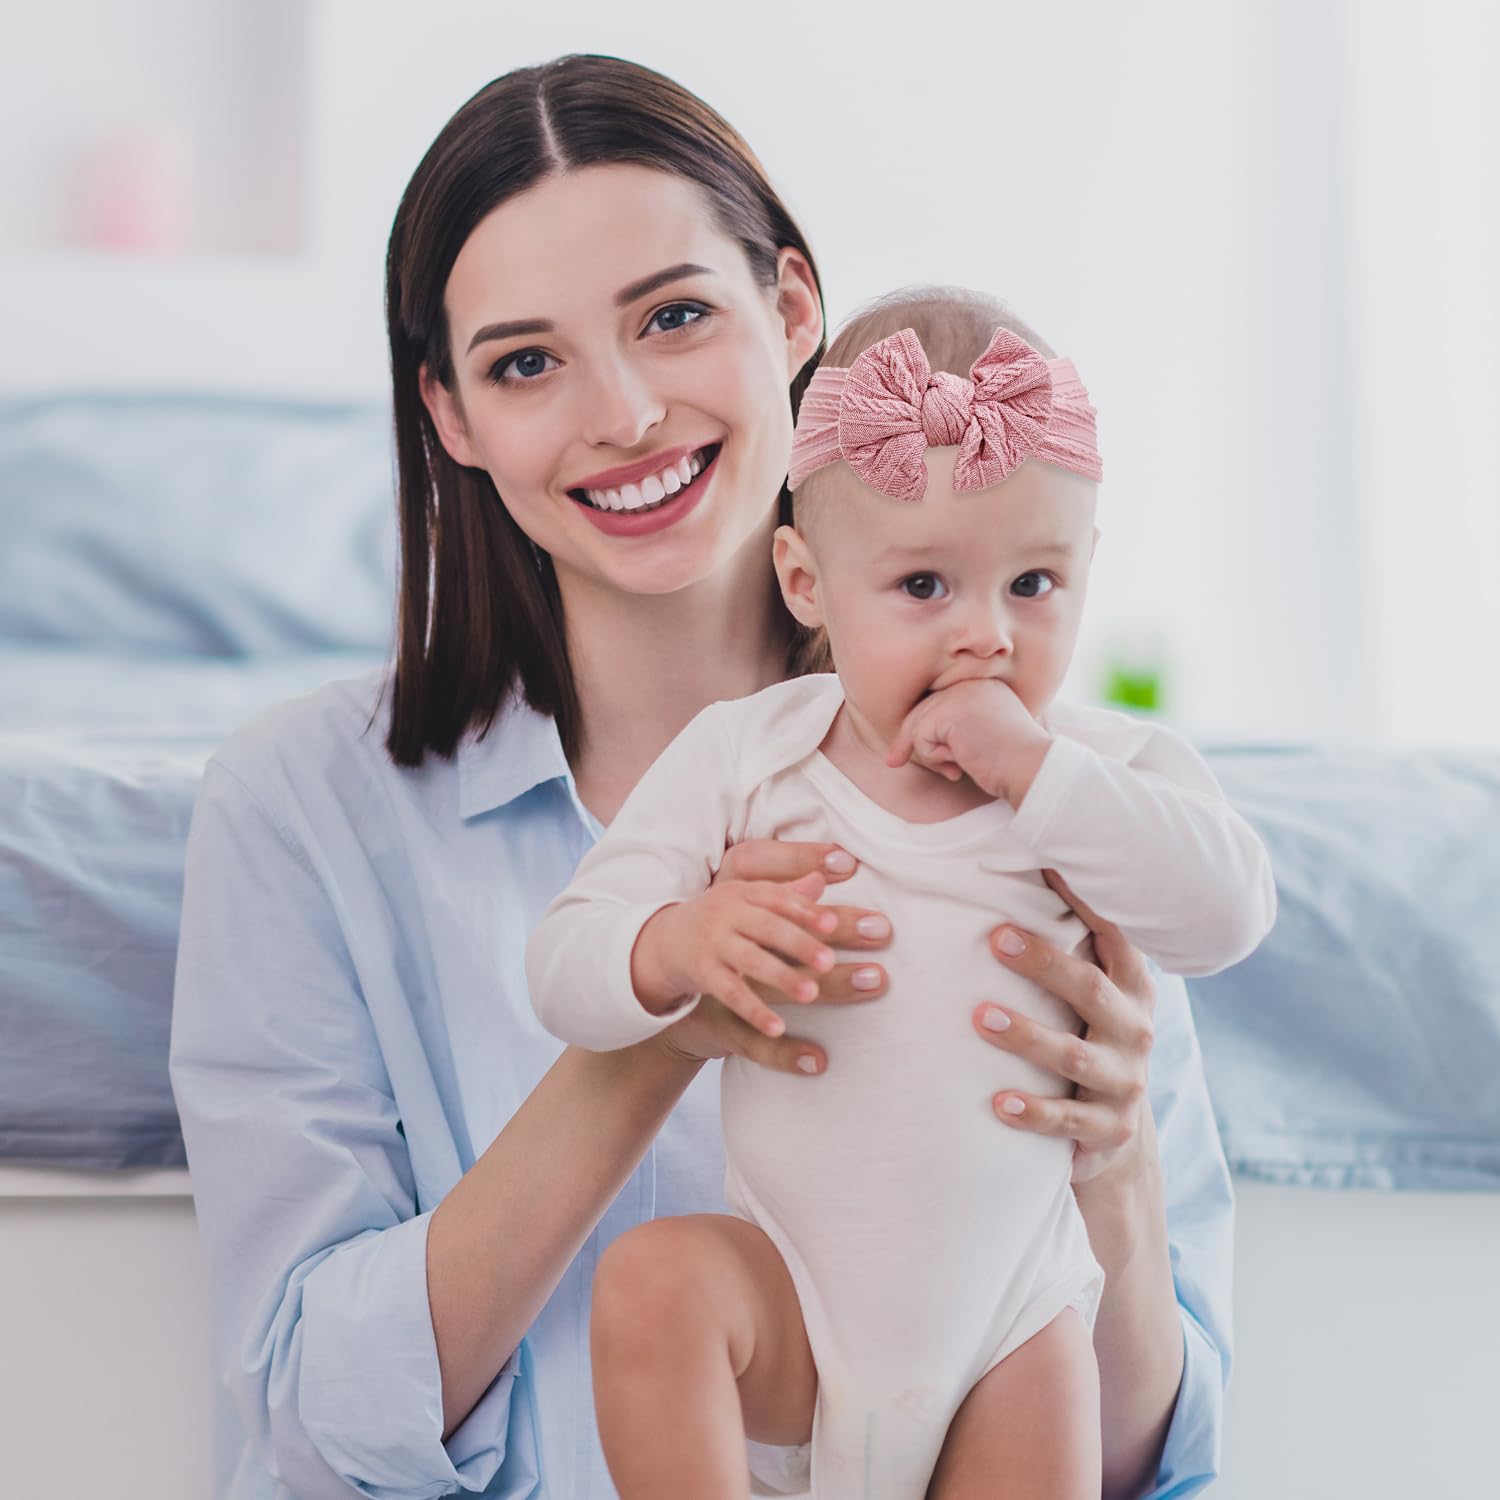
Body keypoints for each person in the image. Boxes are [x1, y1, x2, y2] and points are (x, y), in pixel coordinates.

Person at [169, 55, 1236, 1500]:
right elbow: (310, 1421)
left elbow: (1146, 1471)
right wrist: (663, 1015)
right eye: (525, 362)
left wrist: (1113, 1176)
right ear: (453, 417)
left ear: (792, 313)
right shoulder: (298, 811)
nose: (623, 414)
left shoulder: (1048, 788)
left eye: (674, 316)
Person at [526, 293, 1275, 1498]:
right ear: (806, 581)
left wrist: (1034, 769)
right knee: (654, 1284)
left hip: (1015, 1328)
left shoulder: (1107, 777)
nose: (985, 637)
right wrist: (678, 945)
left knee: (1050, 1406)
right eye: (924, 587)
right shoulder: (749, 757)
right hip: (795, 1308)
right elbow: (564, 963)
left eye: (1034, 584)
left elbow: (1230, 913)